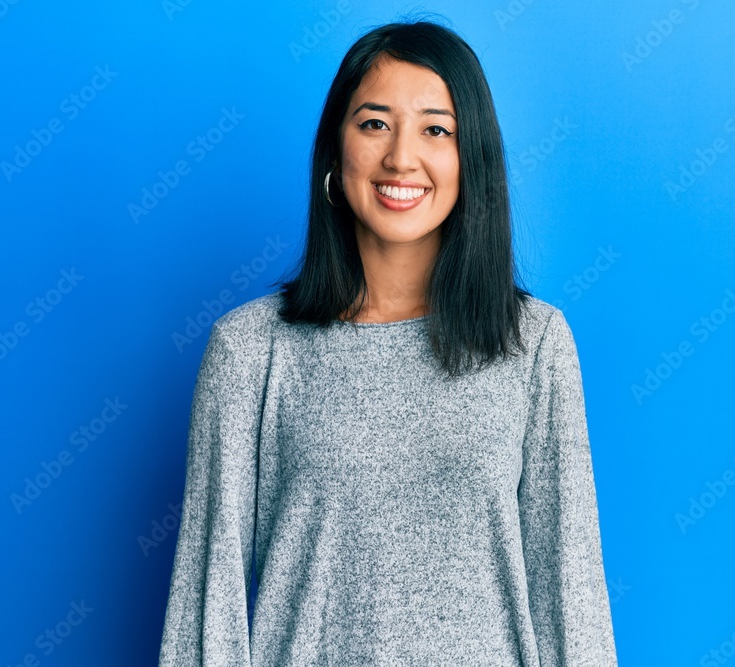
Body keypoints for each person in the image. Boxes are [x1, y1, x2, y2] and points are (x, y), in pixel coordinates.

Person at [158, 17, 618, 666]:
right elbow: (206, 611)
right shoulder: (250, 350)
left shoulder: (534, 343)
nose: (402, 157)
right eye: (375, 123)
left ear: (471, 159)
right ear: (334, 152)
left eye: (436, 129)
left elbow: (572, 597)